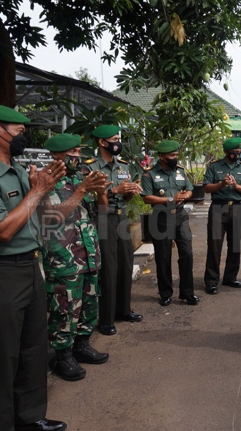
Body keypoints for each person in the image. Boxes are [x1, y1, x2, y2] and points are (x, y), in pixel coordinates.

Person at [0, 104, 67, 431]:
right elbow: (2, 231)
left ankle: (31, 417)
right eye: (19, 132)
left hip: (31, 266)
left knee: (33, 348)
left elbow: (43, 218)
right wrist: (36, 192)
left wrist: (41, 191)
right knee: (1, 356)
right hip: (0, 273)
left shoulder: (19, 169)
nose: (23, 138)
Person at [42, 134, 111, 381]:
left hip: (89, 253)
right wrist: (82, 190)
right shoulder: (45, 180)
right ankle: (63, 356)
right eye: (73, 151)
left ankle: (82, 345)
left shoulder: (80, 177)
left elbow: (101, 211)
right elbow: (52, 217)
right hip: (64, 257)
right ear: (57, 155)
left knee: (89, 303)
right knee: (65, 308)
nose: (78, 156)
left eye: (79, 150)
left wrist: (101, 191)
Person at [84, 125, 143, 337]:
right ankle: (106, 318)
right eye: (114, 139)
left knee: (126, 263)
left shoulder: (123, 166)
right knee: (108, 268)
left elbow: (124, 197)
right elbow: (90, 198)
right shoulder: (90, 168)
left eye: (119, 138)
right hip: (102, 219)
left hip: (121, 217)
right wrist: (115, 190)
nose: (118, 142)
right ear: (102, 142)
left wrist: (131, 191)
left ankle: (124, 310)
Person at [141, 140, 198, 306]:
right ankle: (165, 293)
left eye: (176, 154)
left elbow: (189, 189)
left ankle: (187, 293)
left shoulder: (180, 171)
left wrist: (185, 196)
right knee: (164, 257)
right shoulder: (149, 174)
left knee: (187, 254)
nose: (175, 157)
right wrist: (170, 199)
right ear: (162, 156)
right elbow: (146, 197)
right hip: (161, 218)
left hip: (180, 216)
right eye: (172, 155)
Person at [202, 137, 241, 294]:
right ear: (226, 152)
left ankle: (230, 277)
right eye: (234, 152)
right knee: (215, 245)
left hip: (237, 209)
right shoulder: (214, 167)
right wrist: (222, 184)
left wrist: (236, 186)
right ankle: (211, 281)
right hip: (218, 208)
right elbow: (206, 188)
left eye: (239, 152)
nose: (236, 155)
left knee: (235, 245)